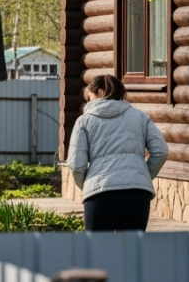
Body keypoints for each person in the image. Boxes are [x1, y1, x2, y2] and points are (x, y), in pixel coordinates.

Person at [67, 74, 169, 232]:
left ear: (100, 92)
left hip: (100, 195)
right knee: (130, 253)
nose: (89, 101)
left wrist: (88, 185)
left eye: (90, 97)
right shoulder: (140, 116)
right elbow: (161, 151)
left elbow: (76, 165)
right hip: (138, 195)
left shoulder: (84, 121)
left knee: (97, 252)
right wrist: (140, 175)